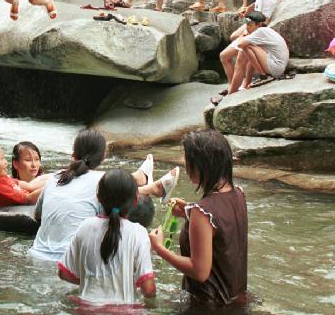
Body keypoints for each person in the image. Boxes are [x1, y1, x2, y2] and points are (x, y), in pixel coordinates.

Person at [33, 131, 176, 261]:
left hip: (37, 255)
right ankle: (149, 187)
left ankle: (144, 183)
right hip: (72, 262)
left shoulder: (54, 178)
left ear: (73, 154)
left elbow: (37, 215)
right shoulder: (101, 180)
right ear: (103, 156)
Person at [149, 130, 248, 306]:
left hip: (208, 304)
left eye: (187, 160)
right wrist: (189, 210)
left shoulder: (202, 212)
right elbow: (222, 226)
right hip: (236, 298)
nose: (185, 166)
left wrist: (160, 248)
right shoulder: (239, 194)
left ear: (201, 165)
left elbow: (199, 271)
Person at [58, 169, 157, 306]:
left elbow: (64, 274)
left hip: (86, 308)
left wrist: (92, 281)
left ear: (98, 197)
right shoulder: (138, 233)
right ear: (135, 201)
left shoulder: (85, 226)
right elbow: (149, 290)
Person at [0, 140, 45, 207]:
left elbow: (30, 186)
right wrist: (51, 187)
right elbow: (29, 199)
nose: (6, 162)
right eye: (2, 158)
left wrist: (54, 179)